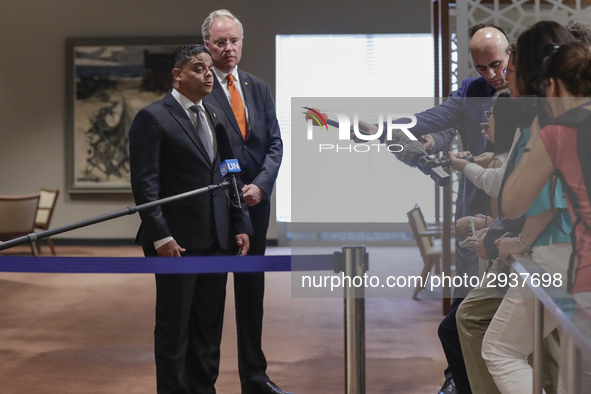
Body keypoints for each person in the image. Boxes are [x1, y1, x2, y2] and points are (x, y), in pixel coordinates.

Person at [129, 43, 253, 394]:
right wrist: (161, 236)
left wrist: (240, 223)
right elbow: (146, 184)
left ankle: (203, 389)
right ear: (177, 75)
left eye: (210, 69)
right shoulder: (153, 117)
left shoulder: (215, 116)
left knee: (208, 326)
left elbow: (231, 174)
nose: (208, 74)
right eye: (199, 68)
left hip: (217, 239)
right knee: (175, 326)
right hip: (176, 244)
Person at [201, 10, 288, 394]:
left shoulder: (257, 87)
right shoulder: (202, 90)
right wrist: (237, 190)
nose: (228, 48)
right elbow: (210, 153)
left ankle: (254, 377)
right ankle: (206, 381)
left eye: (233, 40)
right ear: (207, 45)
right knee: (212, 299)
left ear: (241, 42)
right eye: (220, 42)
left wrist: (262, 186)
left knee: (252, 296)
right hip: (221, 208)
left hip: (257, 205)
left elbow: (274, 144)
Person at [499, 40, 591, 392]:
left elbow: (512, 204)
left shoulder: (560, 132)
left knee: (576, 381)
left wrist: (536, 136)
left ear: (551, 86)